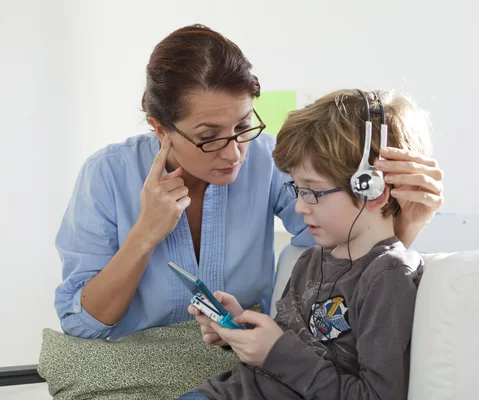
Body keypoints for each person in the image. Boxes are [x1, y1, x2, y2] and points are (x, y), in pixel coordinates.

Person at [54, 24, 443, 341]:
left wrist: (409, 222)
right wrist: (145, 234)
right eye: (209, 136)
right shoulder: (106, 175)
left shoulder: (267, 158)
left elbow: (343, 258)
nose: (234, 153)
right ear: (160, 129)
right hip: (138, 363)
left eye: (243, 126)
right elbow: (84, 322)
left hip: (240, 355)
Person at [181, 89, 431, 400]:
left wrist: (276, 352)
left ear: (371, 188)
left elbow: (377, 395)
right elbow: (295, 345)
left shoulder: (387, 276)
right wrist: (240, 332)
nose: (299, 207)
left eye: (312, 191)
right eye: (296, 189)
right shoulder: (310, 260)